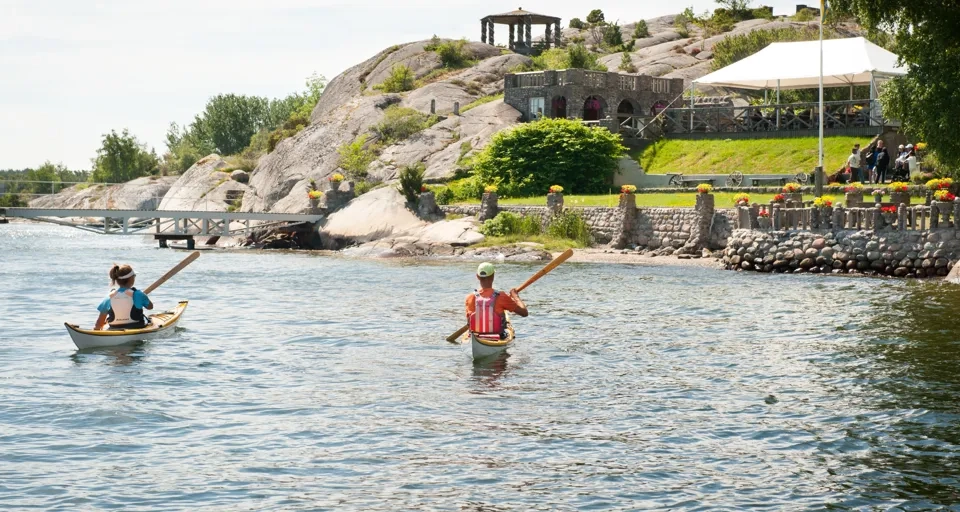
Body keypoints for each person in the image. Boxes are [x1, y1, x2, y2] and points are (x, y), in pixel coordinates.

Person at [464, 262, 528, 339]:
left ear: (477, 276)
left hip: (476, 336)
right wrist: (516, 296)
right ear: (493, 276)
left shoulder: (470, 297)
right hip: (498, 336)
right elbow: (524, 313)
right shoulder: (502, 296)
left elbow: (469, 322)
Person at [94, 263, 153, 330]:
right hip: (136, 327)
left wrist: (96, 330)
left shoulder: (109, 297)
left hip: (114, 329)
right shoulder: (138, 294)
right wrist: (143, 297)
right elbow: (150, 307)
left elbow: (99, 322)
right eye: (134, 276)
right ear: (131, 279)